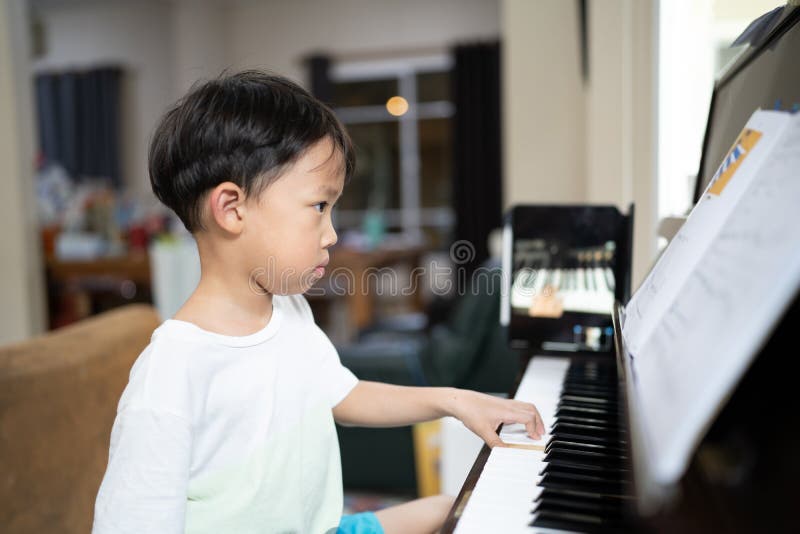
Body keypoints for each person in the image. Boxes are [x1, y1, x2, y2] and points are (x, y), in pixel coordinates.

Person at [92, 70, 545, 534]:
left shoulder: (288, 312)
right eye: (319, 207)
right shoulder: (171, 373)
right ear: (231, 208)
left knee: (452, 509)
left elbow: (341, 393)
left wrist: (457, 401)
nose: (330, 234)